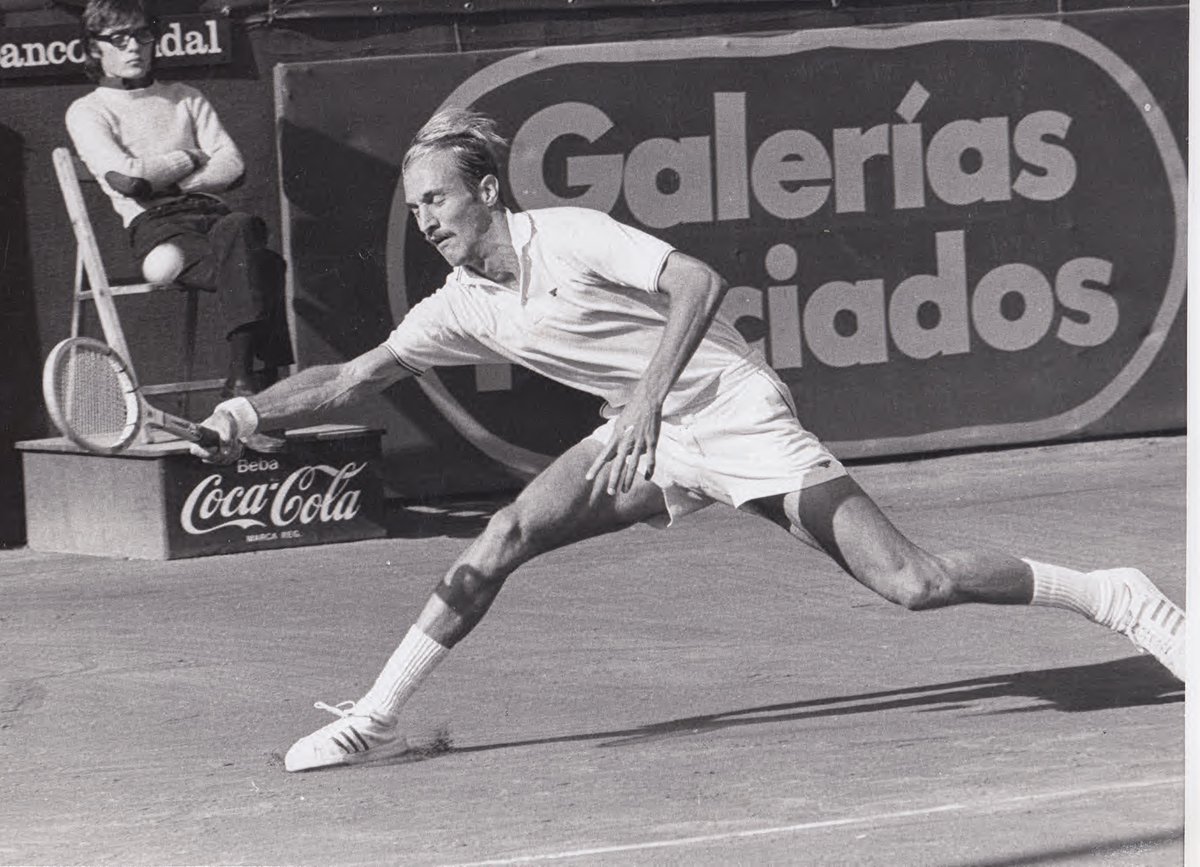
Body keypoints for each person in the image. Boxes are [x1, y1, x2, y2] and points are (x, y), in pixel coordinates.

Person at [192, 109, 1186, 773]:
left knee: (912, 583)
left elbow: (699, 285)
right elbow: (353, 377)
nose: (427, 219)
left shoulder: (571, 236)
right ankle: (375, 715)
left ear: (487, 190)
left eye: (439, 200)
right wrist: (246, 415)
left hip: (730, 411)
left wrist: (645, 404)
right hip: (649, 440)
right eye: (415, 207)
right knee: (500, 539)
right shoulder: (459, 306)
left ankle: (1118, 595)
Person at [65, 0, 293, 401]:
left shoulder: (186, 97)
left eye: (142, 34)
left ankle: (240, 382)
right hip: (159, 230)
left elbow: (234, 167)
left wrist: (166, 180)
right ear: (94, 49)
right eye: (118, 38)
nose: (133, 46)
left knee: (240, 229)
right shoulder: (88, 111)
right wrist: (189, 157)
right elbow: (130, 181)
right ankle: (258, 383)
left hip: (213, 218)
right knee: (263, 264)